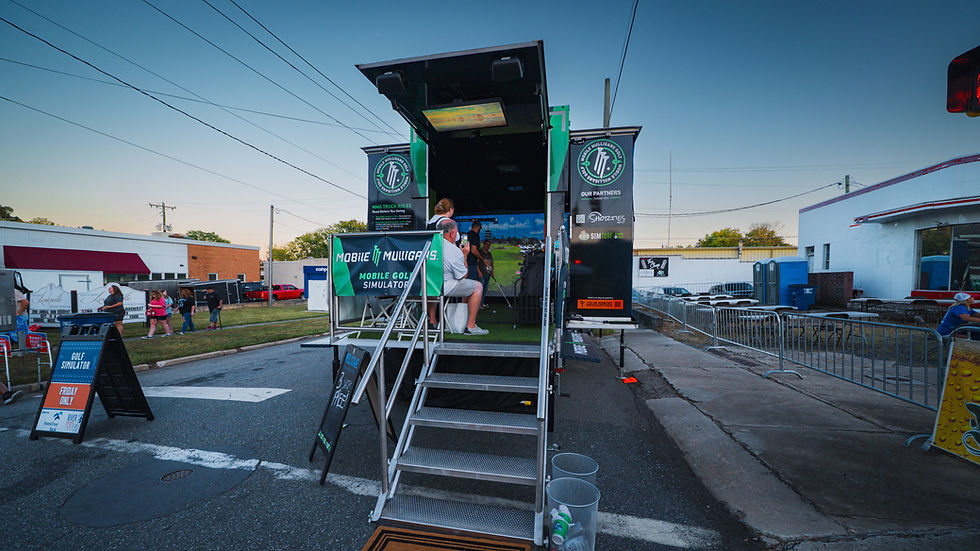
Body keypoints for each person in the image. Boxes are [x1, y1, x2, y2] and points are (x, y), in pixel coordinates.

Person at [427, 219, 487, 335]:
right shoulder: (453, 250)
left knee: (433, 285)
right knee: (478, 286)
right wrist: (464, 255)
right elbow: (463, 275)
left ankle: (432, 320)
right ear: (452, 233)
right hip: (444, 286)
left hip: (426, 286)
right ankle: (471, 326)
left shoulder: (428, 244)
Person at [479, 238, 493, 308]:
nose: (488, 246)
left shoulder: (489, 254)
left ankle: (482, 303)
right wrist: (479, 272)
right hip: (482, 273)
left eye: (489, 245)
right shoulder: (480, 252)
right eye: (487, 244)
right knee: (480, 290)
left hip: (488, 274)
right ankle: (478, 304)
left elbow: (492, 263)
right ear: (483, 244)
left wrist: (492, 272)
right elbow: (476, 263)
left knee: (484, 290)